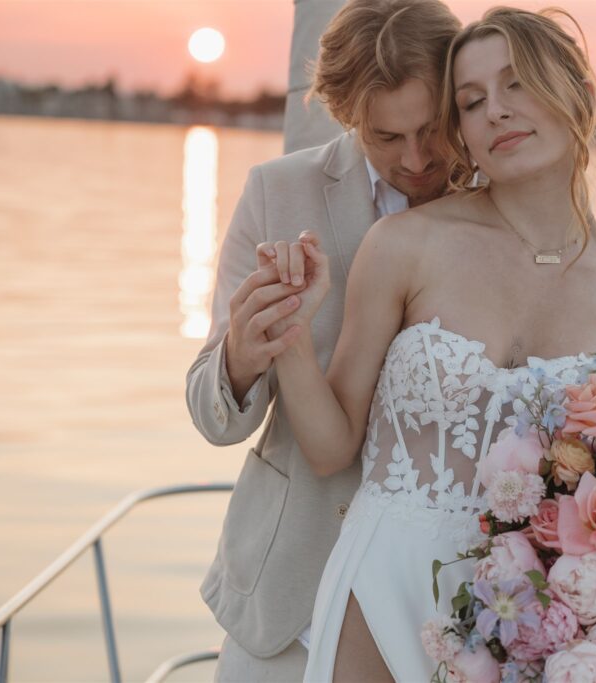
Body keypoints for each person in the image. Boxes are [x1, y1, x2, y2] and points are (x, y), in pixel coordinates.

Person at [257, 6, 596, 681]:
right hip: (381, 587)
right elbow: (331, 444)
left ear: (575, 89)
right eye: (472, 100)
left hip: (528, 623)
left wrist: (577, 638)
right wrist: (287, 331)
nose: (496, 111)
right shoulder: (405, 246)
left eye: (516, 83)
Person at [184, 1, 461, 680]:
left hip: (442, 608)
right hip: (286, 599)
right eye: (387, 137)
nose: (417, 159)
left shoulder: (499, 209)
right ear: (345, 115)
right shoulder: (277, 192)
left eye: (431, 129)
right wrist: (242, 359)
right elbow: (208, 408)